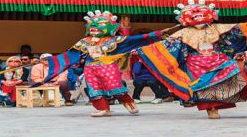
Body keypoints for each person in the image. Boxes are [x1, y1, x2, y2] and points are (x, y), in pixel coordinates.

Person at [137, 0, 247, 119]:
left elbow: (243, 29)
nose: (198, 15)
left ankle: (229, 100)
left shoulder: (218, 28)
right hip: (195, 63)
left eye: (201, 12)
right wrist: (142, 51)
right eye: (194, 13)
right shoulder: (182, 33)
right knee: (204, 87)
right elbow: (165, 45)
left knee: (237, 74)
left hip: (219, 60)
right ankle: (211, 108)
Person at [40, 10, 177, 117]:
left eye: (100, 24)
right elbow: (70, 54)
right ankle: (104, 109)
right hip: (90, 67)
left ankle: (129, 103)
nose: (94, 27)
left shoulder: (115, 40)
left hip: (107, 66)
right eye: (92, 25)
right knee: (94, 88)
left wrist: (156, 34)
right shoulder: (85, 40)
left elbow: (135, 39)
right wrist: (52, 61)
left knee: (114, 86)